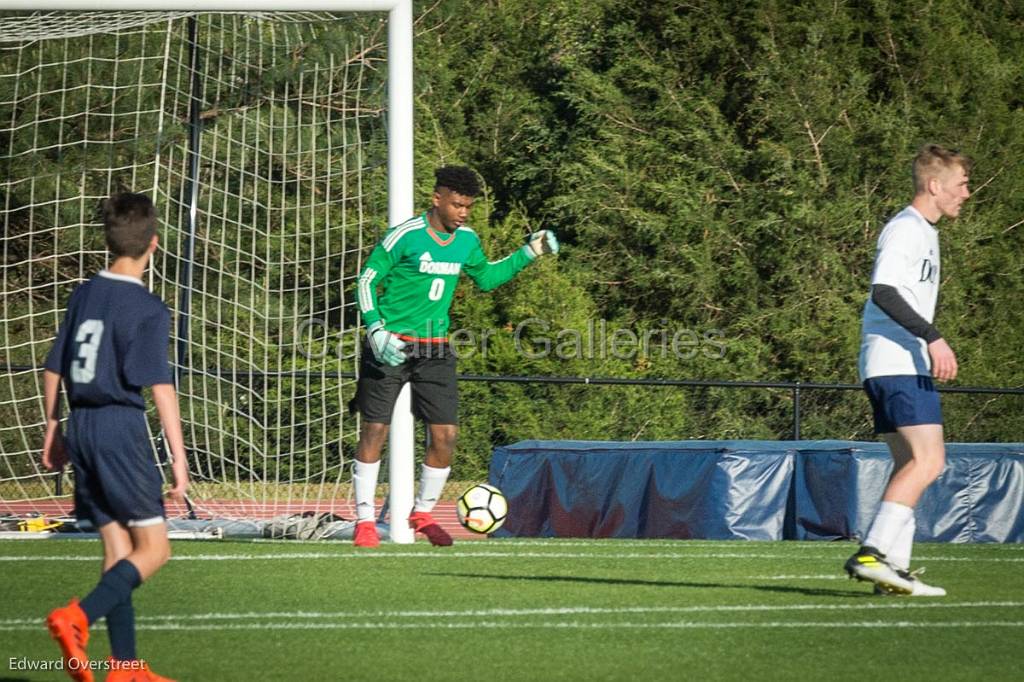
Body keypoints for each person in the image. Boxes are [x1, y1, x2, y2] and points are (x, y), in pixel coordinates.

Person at [350, 166, 558, 547]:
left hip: (435, 347)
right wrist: (375, 328)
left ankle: (423, 513)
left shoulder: (466, 241)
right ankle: (364, 521)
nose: (463, 213)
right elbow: (366, 279)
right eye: (458, 205)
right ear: (437, 199)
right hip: (390, 343)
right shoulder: (406, 236)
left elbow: (488, 278)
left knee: (446, 435)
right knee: (375, 429)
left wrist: (528, 253)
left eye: (468, 207)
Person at [42, 193, 189, 681]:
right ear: (154, 244)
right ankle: (76, 617)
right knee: (156, 549)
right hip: (119, 428)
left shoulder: (84, 293)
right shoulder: (147, 307)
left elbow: (53, 366)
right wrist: (178, 459)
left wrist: (53, 426)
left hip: (80, 423)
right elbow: (161, 388)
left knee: (118, 550)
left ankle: (125, 668)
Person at [845, 144, 971, 596]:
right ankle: (871, 554)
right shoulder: (906, 228)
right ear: (934, 185)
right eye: (961, 184)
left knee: (909, 465)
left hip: (892, 364)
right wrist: (933, 336)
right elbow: (883, 291)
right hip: (897, 363)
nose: (966, 193)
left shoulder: (926, 232)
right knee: (930, 460)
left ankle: (891, 571)